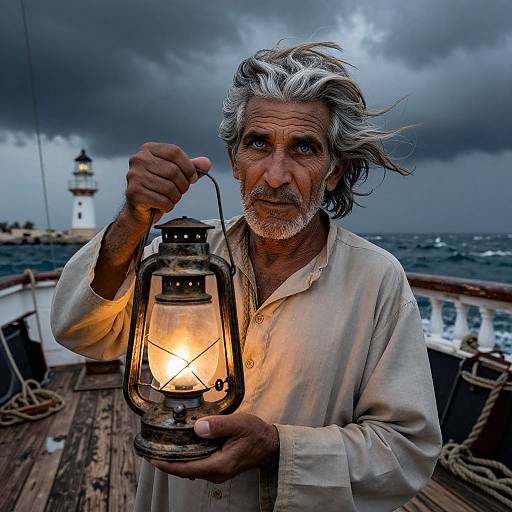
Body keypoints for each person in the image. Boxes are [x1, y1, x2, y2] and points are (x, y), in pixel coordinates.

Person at [51, 42, 442, 511]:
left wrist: (279, 447)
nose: (276, 176)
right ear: (234, 160)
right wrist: (132, 222)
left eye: (303, 148)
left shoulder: (376, 282)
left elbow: (406, 451)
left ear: (334, 171)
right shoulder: (181, 261)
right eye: (259, 144)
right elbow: (80, 330)